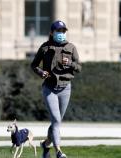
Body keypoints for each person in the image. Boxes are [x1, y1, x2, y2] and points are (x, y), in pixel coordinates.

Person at [31, 20, 81, 158]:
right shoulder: (45, 47)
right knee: (56, 120)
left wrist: (70, 63)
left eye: (63, 31)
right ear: (52, 33)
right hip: (49, 88)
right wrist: (41, 73)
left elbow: (79, 67)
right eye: (58, 31)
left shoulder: (71, 47)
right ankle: (59, 151)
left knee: (56, 122)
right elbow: (34, 65)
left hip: (65, 89)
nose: (61, 34)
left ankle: (46, 144)